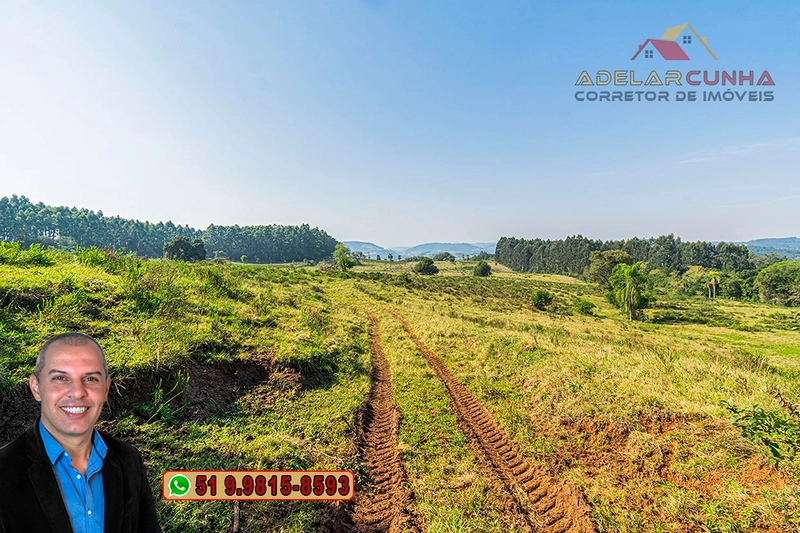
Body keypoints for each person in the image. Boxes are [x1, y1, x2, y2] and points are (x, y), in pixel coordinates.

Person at [0, 332, 161, 533]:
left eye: (90, 378)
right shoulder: (4, 471)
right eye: (60, 378)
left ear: (105, 388)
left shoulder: (129, 459)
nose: (77, 392)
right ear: (36, 387)